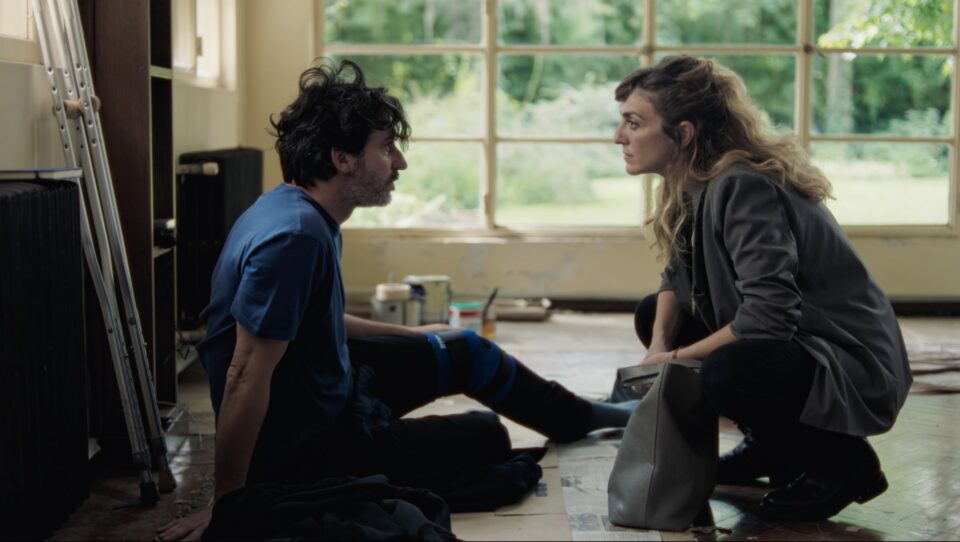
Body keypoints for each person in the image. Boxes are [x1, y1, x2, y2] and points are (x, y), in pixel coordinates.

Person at [158, 58, 636, 541]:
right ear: (342, 158)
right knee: (487, 436)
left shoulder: (297, 210)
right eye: (386, 147)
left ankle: (592, 415)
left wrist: (412, 334)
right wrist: (230, 503)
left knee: (464, 349)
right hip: (310, 442)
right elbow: (243, 374)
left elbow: (316, 320)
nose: (400, 163)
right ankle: (587, 417)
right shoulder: (294, 238)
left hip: (332, 388)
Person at [612, 55, 912, 521]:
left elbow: (769, 316)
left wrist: (673, 358)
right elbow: (678, 275)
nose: (619, 137)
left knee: (727, 371)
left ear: (684, 134)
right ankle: (772, 445)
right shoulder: (692, 182)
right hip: (800, 341)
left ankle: (845, 464)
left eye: (634, 123)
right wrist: (658, 345)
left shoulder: (741, 186)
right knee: (656, 312)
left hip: (848, 358)